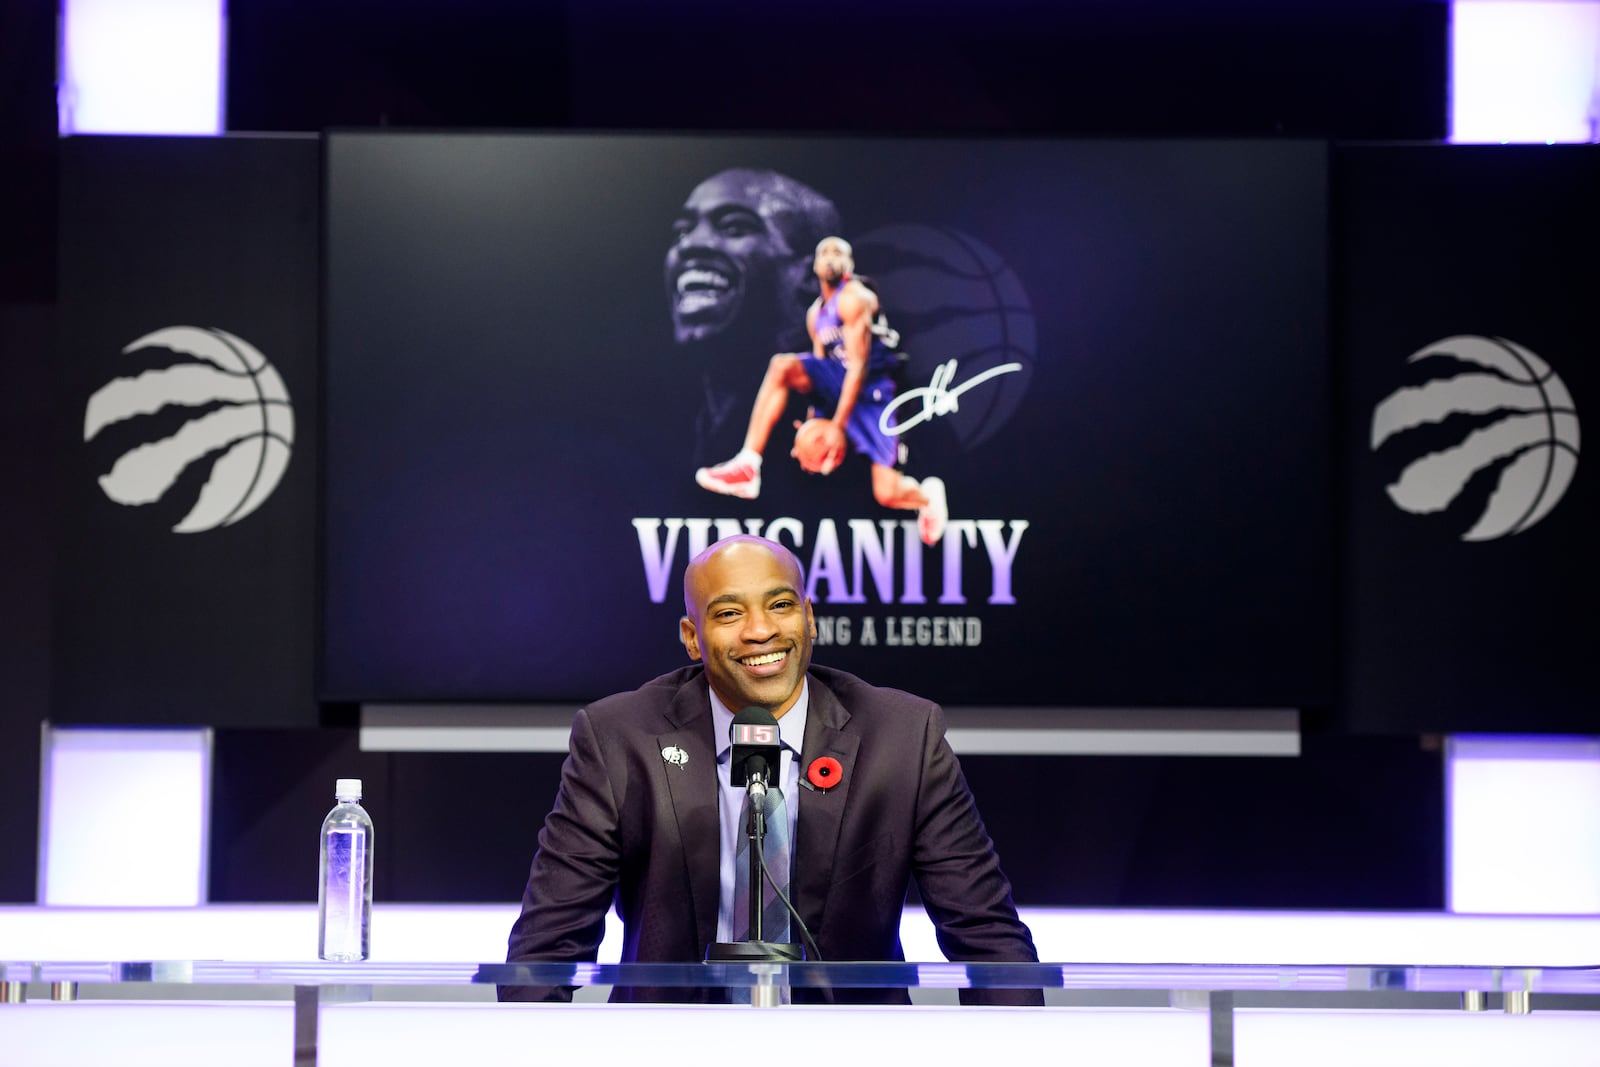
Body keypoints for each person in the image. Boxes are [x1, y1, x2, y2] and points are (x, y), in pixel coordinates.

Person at [501, 535, 1040, 1004]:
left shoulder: (902, 735)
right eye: (729, 613)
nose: (760, 631)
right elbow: (547, 947)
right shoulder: (619, 736)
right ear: (692, 636)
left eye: (780, 605)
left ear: (809, 617)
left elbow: (988, 938)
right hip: (668, 1043)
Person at [694, 236, 949, 546]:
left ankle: (927, 497)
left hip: (875, 392)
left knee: (888, 493)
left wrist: (837, 428)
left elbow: (859, 366)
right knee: (783, 366)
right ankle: (748, 464)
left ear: (849, 265)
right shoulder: (816, 313)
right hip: (839, 382)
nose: (830, 257)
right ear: (814, 265)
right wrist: (815, 418)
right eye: (824, 252)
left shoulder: (855, 297)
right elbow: (819, 367)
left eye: (838, 252)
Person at [664, 170, 841, 464]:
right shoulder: (646, 432)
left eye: (734, 228)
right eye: (682, 231)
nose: (689, 244)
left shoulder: (843, 428)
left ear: (813, 273)